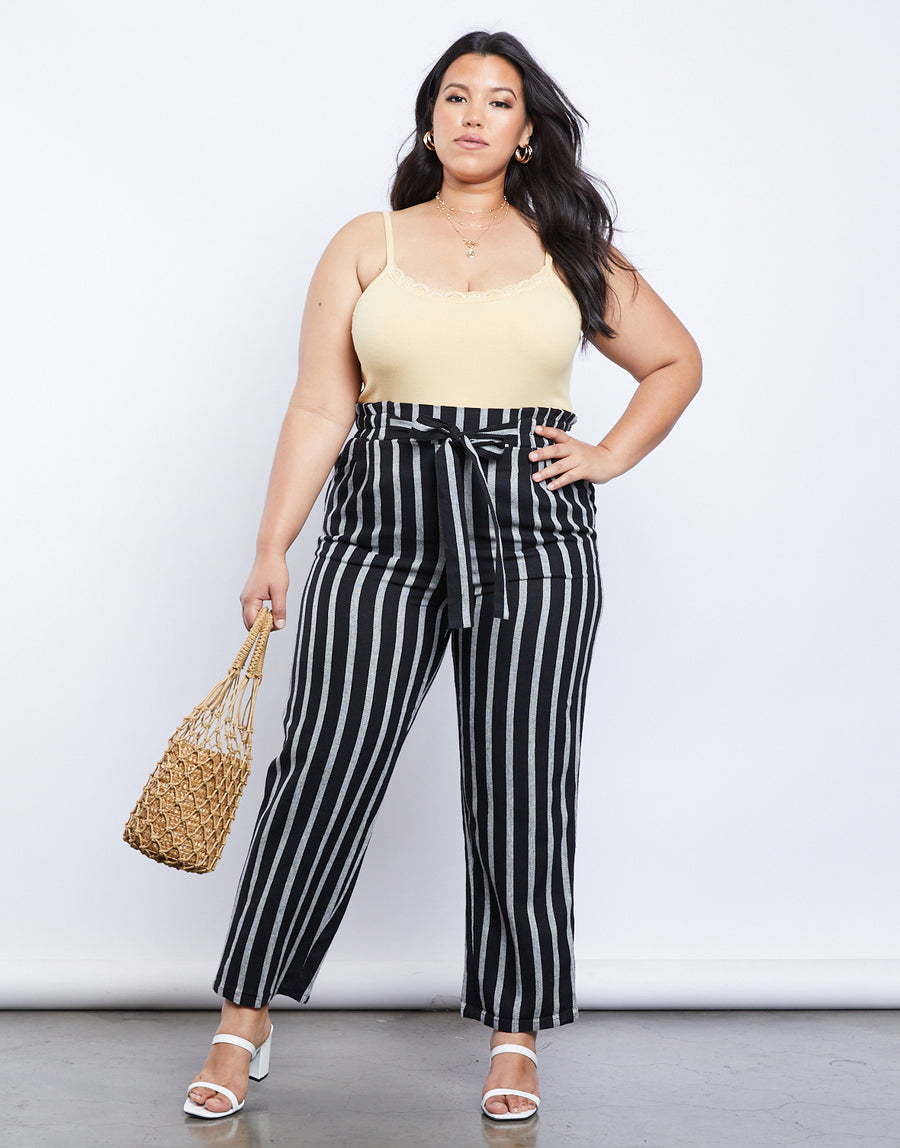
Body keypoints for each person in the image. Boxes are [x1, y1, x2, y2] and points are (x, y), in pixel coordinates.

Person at [184, 29, 702, 1122]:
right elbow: (321, 404)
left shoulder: (572, 250)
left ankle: (516, 1035)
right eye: (456, 96)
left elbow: (674, 360)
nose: (474, 115)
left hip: (533, 533)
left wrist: (608, 454)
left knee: (522, 780)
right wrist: (274, 541)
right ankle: (243, 1017)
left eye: (499, 101)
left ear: (527, 132)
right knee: (323, 765)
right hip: (382, 526)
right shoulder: (365, 242)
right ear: (430, 119)